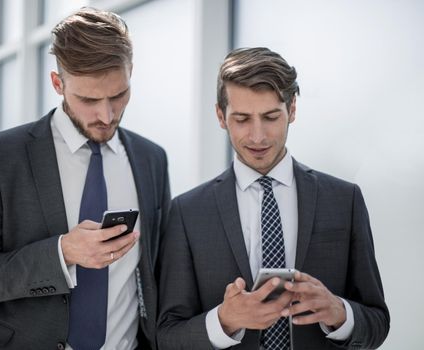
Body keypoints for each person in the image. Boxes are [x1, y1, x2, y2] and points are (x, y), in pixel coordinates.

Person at [0, 7, 170, 350]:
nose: (106, 115)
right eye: (89, 99)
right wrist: (61, 252)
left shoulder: (151, 159)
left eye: (118, 95)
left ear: (131, 75)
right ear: (58, 83)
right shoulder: (1, 156)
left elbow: (158, 272)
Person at [157, 47, 389, 349]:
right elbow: (167, 336)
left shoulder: (345, 201)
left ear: (292, 109)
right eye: (241, 119)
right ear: (220, 116)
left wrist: (340, 313)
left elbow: (377, 322)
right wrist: (225, 320)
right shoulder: (188, 213)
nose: (257, 137)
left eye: (270, 117)